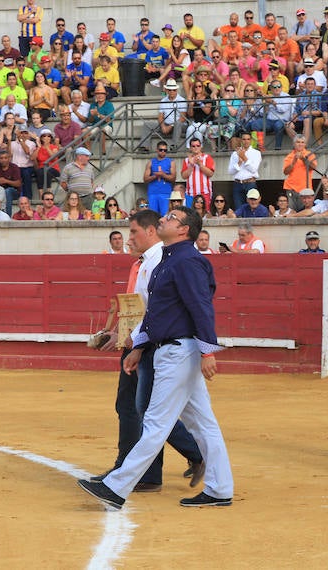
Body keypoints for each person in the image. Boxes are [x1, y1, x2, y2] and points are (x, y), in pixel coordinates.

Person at [78, 206, 234, 509]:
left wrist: (207, 351)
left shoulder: (187, 260)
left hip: (179, 351)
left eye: (172, 217)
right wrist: (137, 344)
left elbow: (201, 307)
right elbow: (159, 314)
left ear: (183, 230)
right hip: (172, 348)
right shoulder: (169, 260)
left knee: (155, 422)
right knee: (204, 425)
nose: (165, 218)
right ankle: (220, 488)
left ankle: (116, 486)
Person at [89, 210, 204, 492]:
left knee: (141, 409)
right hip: (138, 342)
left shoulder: (156, 262)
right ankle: (147, 471)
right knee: (137, 408)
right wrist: (118, 332)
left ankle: (189, 456)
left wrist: (136, 342)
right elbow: (137, 308)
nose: (128, 239)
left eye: (133, 232)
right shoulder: (143, 263)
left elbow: (154, 309)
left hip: (149, 345)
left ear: (150, 232)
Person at [228, 131, 262, 211]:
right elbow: (230, 172)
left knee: (252, 209)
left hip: (250, 183)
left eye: (248, 139)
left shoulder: (256, 153)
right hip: (237, 183)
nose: (246, 141)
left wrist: (244, 158)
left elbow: (253, 169)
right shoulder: (234, 154)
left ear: (251, 140)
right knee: (239, 210)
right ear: (240, 140)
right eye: (244, 139)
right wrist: (239, 163)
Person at [143, 142, 176, 215]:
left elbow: (173, 178)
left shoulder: (171, 162)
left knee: (165, 215)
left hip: (165, 193)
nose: (163, 152)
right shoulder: (151, 162)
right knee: (153, 216)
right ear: (157, 150)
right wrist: (155, 176)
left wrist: (163, 175)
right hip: (153, 193)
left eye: (165, 150)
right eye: (161, 150)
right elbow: (145, 179)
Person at [181, 137, 215, 208]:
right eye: (193, 146)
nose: (195, 148)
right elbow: (184, 176)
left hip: (204, 193)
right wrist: (191, 165)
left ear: (201, 147)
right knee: (190, 216)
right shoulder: (187, 160)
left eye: (198, 146)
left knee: (204, 214)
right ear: (190, 148)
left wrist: (200, 164)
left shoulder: (207, 157)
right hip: (190, 194)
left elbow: (210, 174)